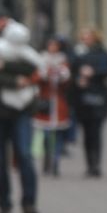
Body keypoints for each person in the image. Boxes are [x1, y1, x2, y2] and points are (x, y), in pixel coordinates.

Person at [0, 13, 41, 213]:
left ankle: (29, 202)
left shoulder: (23, 47)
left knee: (24, 154)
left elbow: (33, 67)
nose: (2, 25)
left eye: (6, 21)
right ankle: (3, 203)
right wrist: (15, 81)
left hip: (21, 110)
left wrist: (5, 67)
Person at [72, 26, 107, 177]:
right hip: (82, 98)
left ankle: (96, 164)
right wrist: (78, 79)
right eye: (83, 36)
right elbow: (71, 70)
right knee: (86, 132)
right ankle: (89, 163)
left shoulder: (103, 53)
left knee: (95, 131)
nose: (85, 39)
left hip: (98, 97)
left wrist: (93, 73)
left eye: (88, 36)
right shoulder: (77, 53)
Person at [34, 36, 73, 177]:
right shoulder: (40, 60)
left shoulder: (63, 62)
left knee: (58, 135)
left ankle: (56, 162)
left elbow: (67, 83)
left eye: (55, 45)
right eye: (50, 44)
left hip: (58, 103)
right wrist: (44, 75)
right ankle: (47, 160)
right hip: (44, 103)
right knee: (45, 135)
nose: (52, 47)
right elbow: (35, 79)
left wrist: (61, 76)